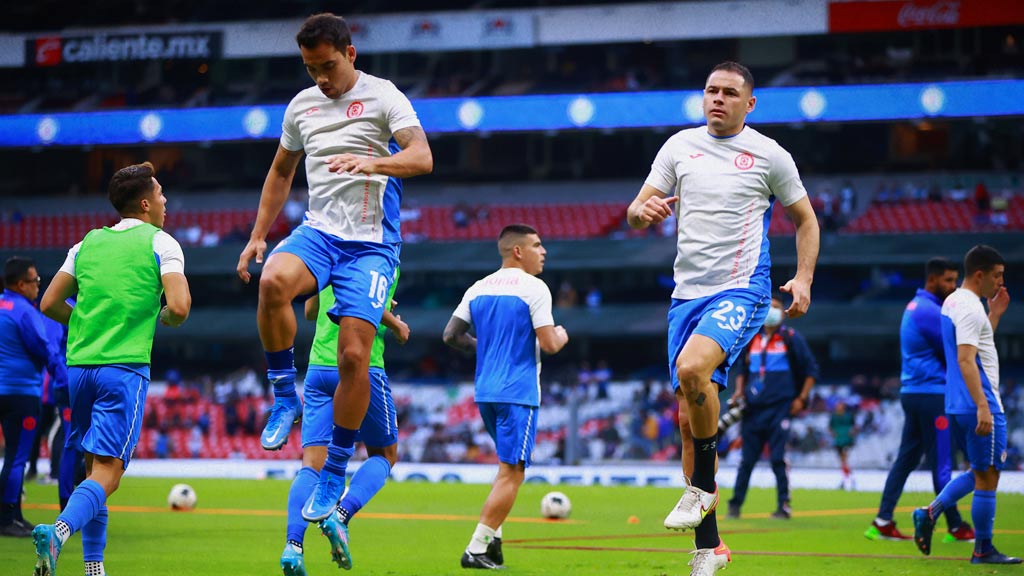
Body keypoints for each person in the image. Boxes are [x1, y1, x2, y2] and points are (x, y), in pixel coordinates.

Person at [234, 13, 432, 522]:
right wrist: (259, 234)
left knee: (352, 359)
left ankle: (336, 468)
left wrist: (375, 163)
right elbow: (281, 170)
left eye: (326, 66)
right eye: (309, 68)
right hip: (319, 231)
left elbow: (421, 157)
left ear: (350, 53)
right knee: (273, 280)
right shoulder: (301, 106)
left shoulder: (385, 95)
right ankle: (283, 395)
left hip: (371, 245)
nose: (320, 78)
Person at [626, 61, 819, 575]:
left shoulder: (769, 154)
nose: (717, 98)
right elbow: (636, 207)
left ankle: (703, 489)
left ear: (749, 103)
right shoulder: (678, 146)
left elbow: (806, 219)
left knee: (693, 371)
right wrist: (640, 213)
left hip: (741, 288)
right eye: (711, 90)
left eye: (729, 93)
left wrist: (802, 278)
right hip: (685, 296)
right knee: (689, 421)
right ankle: (709, 549)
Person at [32, 161, 192, 576]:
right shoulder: (162, 242)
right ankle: (60, 531)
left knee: (92, 470)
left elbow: (49, 303)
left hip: (79, 369)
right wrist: (166, 319)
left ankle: (94, 567)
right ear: (144, 203)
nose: (165, 200)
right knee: (110, 473)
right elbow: (178, 307)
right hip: (123, 370)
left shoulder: (85, 244)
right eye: (160, 194)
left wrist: (85, 323)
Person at [443, 224, 568, 569]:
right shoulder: (535, 288)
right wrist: (562, 334)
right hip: (518, 392)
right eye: (537, 245)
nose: (543, 252)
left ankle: (494, 545)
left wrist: (485, 348)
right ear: (518, 251)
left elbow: (451, 335)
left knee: (504, 469)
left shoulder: (478, 287)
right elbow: (549, 344)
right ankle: (477, 548)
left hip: (485, 391)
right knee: (513, 472)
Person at [281, 269, 408, 575]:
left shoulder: (326, 255)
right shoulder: (381, 257)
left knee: (311, 464)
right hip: (359, 366)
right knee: (384, 455)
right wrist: (398, 324)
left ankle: (293, 546)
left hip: (318, 369)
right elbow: (369, 305)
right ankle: (340, 514)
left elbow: (311, 310)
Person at [913, 245, 1020, 564]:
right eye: (997, 276)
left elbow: (977, 345)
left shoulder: (955, 302)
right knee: (988, 475)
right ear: (979, 274)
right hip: (980, 402)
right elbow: (965, 359)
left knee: (979, 470)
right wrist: (983, 406)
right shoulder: (970, 308)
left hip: (958, 402)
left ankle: (930, 512)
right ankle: (983, 549)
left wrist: (995, 316)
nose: (1001, 283)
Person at [865, 258, 974, 542]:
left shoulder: (918, 306)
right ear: (933, 279)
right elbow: (956, 350)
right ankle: (955, 526)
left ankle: (882, 521)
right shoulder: (930, 311)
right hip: (932, 395)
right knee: (942, 461)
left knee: (907, 459)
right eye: (949, 280)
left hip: (915, 393)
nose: (954, 286)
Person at [726, 296, 818, 520]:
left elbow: (811, 370)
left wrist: (801, 399)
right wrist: (739, 392)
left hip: (780, 407)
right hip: (753, 408)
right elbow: (742, 370)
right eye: (769, 308)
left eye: (776, 308)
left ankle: (783, 506)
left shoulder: (790, 338)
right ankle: (735, 505)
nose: (771, 312)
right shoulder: (752, 339)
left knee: (778, 458)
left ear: (783, 314)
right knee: (747, 460)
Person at [0, 257, 67, 538]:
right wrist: (64, 380)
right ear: (19, 284)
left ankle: (14, 515)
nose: (39, 286)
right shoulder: (25, 313)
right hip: (22, 394)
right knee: (17, 458)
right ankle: (6, 518)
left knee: (12, 457)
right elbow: (45, 350)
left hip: (4, 390)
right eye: (35, 281)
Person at [829, 399, 857, 490]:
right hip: (838, 441)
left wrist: (851, 433)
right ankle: (847, 480)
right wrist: (833, 434)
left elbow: (854, 427)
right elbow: (830, 428)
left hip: (846, 440)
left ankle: (848, 481)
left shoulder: (848, 416)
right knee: (843, 462)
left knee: (844, 460)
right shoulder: (833, 416)